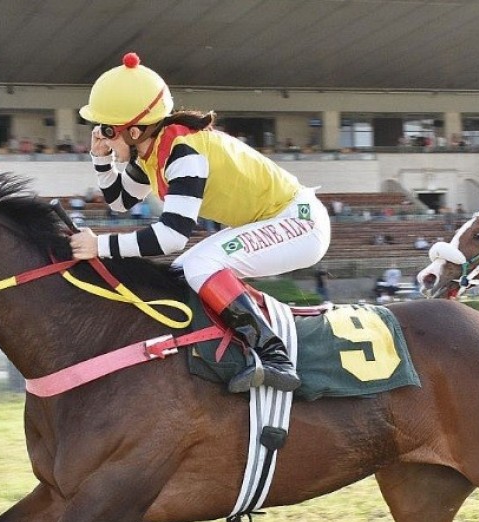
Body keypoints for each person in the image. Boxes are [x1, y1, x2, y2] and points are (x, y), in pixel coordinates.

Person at [69, 52, 331, 393]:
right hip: (273, 220)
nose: (100, 136)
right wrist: (101, 159)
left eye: (107, 130)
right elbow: (121, 202)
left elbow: (172, 237)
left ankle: (274, 356)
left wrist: (100, 247)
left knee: (198, 264)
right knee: (183, 272)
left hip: (299, 222)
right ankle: (231, 348)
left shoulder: (183, 154)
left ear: (134, 130)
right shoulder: (152, 151)